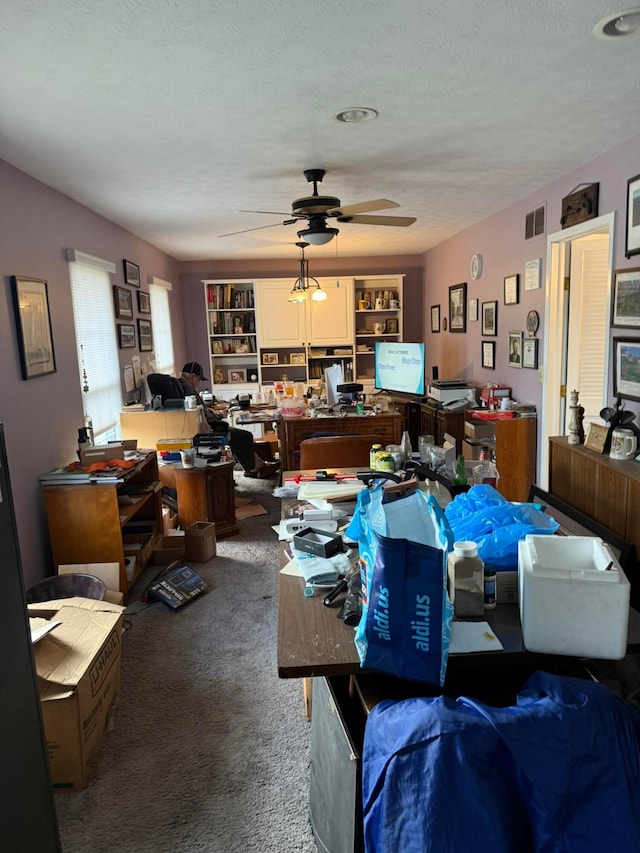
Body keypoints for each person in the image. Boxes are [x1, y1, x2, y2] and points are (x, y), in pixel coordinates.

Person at [178, 362, 279, 478]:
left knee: (240, 436)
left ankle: (258, 466)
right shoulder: (189, 390)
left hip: (200, 428)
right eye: (198, 380)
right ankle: (252, 469)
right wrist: (221, 414)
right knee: (245, 436)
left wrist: (209, 411)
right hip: (208, 431)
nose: (198, 383)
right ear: (192, 377)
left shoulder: (181, 385)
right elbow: (206, 418)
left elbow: (201, 413)